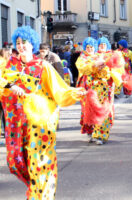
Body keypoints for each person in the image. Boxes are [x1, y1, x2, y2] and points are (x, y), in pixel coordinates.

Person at [0, 26, 85, 200]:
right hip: (16, 124)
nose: (21, 46)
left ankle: (41, 196)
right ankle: (35, 190)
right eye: (18, 43)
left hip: (39, 124)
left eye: (25, 42)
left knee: (39, 162)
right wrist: (10, 86)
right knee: (15, 162)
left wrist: (75, 93)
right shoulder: (10, 66)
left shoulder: (43, 66)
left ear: (32, 45)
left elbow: (58, 90)